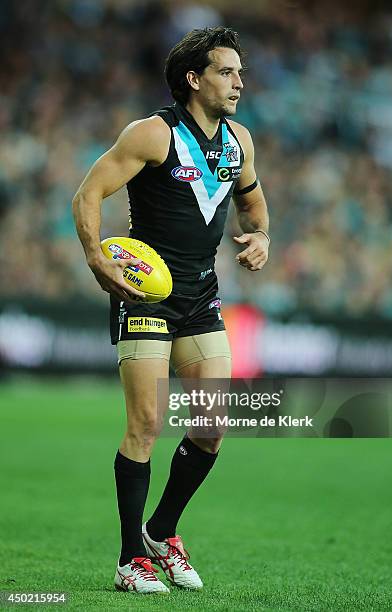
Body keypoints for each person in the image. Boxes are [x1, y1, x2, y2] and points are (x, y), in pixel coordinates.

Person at [72, 26, 269, 595]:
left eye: (240, 73)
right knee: (147, 424)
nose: (238, 82)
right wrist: (94, 255)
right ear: (194, 79)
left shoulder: (239, 141)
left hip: (202, 298)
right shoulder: (152, 134)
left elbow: (255, 209)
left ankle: (163, 531)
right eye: (227, 72)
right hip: (148, 297)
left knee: (211, 428)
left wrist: (261, 239)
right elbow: (88, 193)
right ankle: (130, 557)